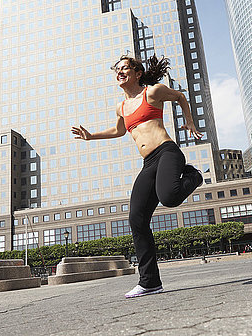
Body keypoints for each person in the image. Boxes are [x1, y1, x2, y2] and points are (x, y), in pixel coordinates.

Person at [71, 53, 203, 298]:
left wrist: (190, 122)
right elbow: (118, 130)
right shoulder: (121, 107)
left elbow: (180, 96)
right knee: (137, 219)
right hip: (148, 163)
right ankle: (150, 282)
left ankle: (193, 175)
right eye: (117, 70)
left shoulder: (152, 93)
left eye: (124, 69)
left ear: (137, 73)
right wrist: (92, 136)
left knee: (170, 197)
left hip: (167, 153)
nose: (119, 73)